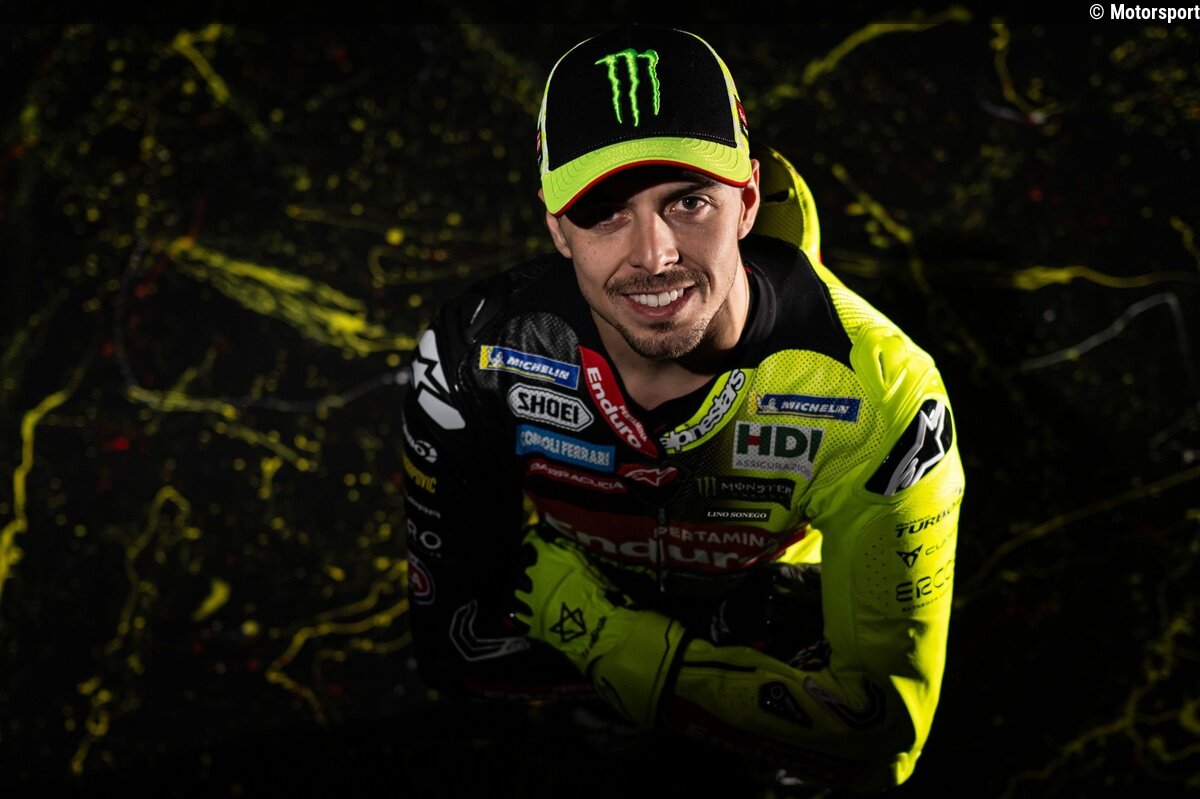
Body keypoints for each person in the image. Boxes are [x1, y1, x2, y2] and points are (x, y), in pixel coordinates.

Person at [401, 24, 964, 793]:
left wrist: (605, 634)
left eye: (690, 200)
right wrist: (725, 686)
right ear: (556, 226)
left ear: (748, 199)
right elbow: (455, 654)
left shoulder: (879, 389)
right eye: (604, 211)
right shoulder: (476, 349)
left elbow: (882, 741)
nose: (654, 254)